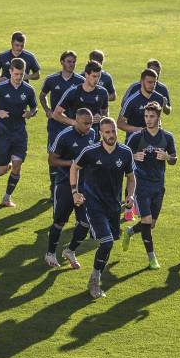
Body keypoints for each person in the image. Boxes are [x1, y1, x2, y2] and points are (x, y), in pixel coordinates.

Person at [69, 118, 136, 298]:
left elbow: (131, 178)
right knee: (106, 242)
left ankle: (72, 250)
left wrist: (130, 195)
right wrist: (74, 192)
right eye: (107, 132)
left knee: (109, 242)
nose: (111, 135)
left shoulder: (125, 152)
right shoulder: (90, 151)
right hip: (93, 203)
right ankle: (94, 281)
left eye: (113, 131)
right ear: (100, 133)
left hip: (113, 206)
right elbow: (74, 168)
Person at [122, 102, 177, 269]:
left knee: (151, 223)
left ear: (158, 117)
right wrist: (133, 156)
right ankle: (152, 258)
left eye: (152, 116)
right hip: (141, 184)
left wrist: (167, 157)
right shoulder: (137, 137)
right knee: (146, 220)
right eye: (146, 116)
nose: (148, 119)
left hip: (159, 185)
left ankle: (130, 231)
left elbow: (174, 159)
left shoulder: (167, 137)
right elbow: (123, 156)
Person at [45, 108, 96, 269]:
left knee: (85, 222)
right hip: (64, 184)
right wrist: (73, 163)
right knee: (60, 222)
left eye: (90, 123)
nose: (89, 126)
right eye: (85, 123)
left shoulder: (92, 133)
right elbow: (52, 160)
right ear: (76, 121)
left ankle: (70, 251)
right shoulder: (64, 136)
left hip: (84, 186)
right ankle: (50, 253)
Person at [0, 57, 38, 208]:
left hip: (20, 133)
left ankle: (7, 198)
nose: (19, 77)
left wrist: (30, 113)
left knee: (17, 164)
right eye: (16, 74)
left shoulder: (28, 90)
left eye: (21, 74)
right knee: (2, 169)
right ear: (10, 71)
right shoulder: (0, 88)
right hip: (3, 133)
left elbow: (34, 107)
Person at [118, 68, 167, 221]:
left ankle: (147, 209)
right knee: (132, 175)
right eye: (149, 82)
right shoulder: (132, 100)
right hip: (135, 144)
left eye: (155, 82)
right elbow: (120, 123)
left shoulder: (158, 98)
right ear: (141, 82)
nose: (152, 85)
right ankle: (128, 210)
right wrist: (139, 130)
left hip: (153, 143)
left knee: (152, 173)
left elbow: (159, 119)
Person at [39, 51, 84, 199]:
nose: (71, 64)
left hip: (74, 126)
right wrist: (47, 110)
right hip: (55, 125)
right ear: (62, 62)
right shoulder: (52, 79)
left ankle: (73, 188)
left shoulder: (80, 81)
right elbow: (42, 95)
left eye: (73, 62)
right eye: (69, 61)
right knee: (54, 155)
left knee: (74, 156)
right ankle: (54, 188)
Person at [52, 60, 109, 136]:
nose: (96, 79)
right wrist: (75, 123)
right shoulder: (73, 92)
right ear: (86, 74)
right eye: (94, 76)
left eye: (99, 76)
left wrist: (101, 118)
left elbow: (105, 114)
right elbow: (56, 114)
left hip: (94, 137)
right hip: (75, 136)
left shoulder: (103, 92)